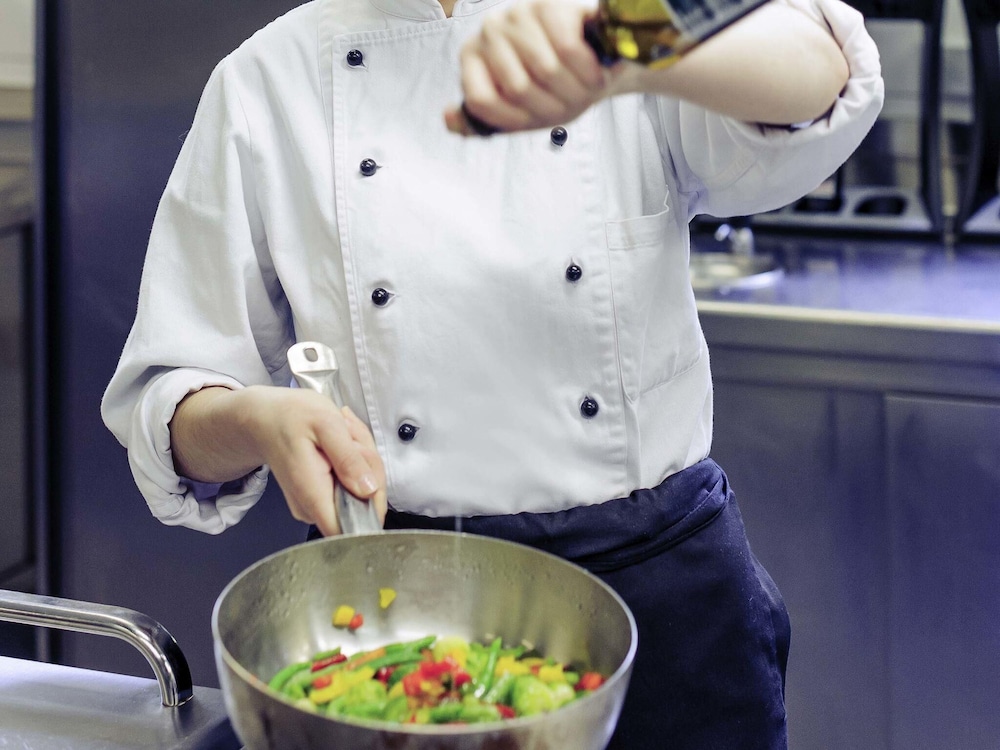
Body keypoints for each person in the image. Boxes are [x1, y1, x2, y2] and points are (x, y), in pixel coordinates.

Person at [102, 0, 883, 746]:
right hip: (398, 609)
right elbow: (170, 408)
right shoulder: (268, 79)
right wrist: (257, 421)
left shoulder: (618, 24)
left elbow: (826, 74)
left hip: (661, 605)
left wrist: (626, 44)